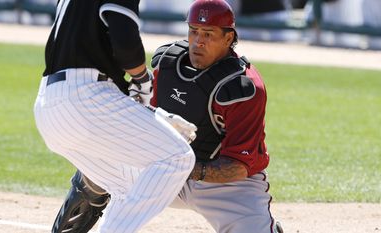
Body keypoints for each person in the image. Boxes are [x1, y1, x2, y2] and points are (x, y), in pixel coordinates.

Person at [49, 0, 283, 232]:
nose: (198, 41)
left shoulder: (242, 88)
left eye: (209, 34)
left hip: (227, 188)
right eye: (194, 31)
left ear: (228, 38)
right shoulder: (168, 64)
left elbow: (239, 167)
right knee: (105, 157)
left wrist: (180, 163)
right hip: (165, 171)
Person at [33, 0, 197, 233]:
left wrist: (151, 113)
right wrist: (141, 78)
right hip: (85, 96)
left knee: (130, 185)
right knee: (178, 157)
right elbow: (126, 45)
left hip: (48, 105)